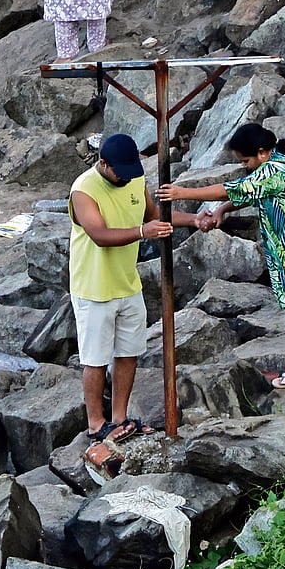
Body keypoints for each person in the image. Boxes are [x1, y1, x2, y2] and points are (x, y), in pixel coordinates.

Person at [157, 123, 285, 404]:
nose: (245, 166)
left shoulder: (277, 169)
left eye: (246, 161)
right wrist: (222, 210)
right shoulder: (277, 160)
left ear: (262, 152)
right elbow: (250, 192)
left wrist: (181, 193)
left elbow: (233, 188)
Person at [70, 132, 206, 442]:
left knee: (128, 351)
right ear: (103, 164)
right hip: (93, 286)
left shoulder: (132, 178)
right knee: (95, 357)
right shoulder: (83, 189)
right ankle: (95, 424)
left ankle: (119, 417)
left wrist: (194, 219)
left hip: (127, 283)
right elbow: (99, 234)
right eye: (122, 171)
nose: (128, 177)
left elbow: (156, 215)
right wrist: (143, 232)